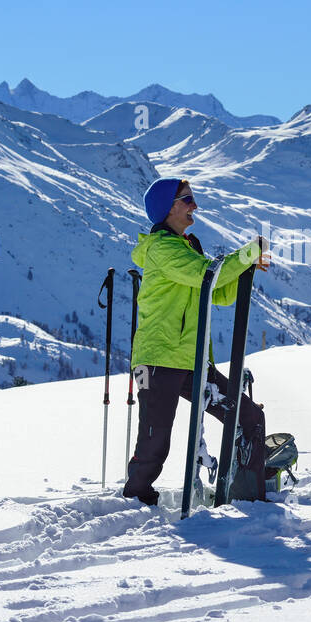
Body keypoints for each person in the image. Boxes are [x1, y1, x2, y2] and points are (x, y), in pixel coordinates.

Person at [122, 177, 270, 506]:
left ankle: (247, 492)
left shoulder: (187, 247)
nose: (194, 206)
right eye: (187, 199)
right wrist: (247, 254)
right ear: (167, 208)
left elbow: (217, 293)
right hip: (158, 358)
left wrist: (248, 269)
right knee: (155, 438)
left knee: (247, 416)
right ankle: (136, 502)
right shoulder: (163, 248)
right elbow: (205, 275)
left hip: (192, 359)